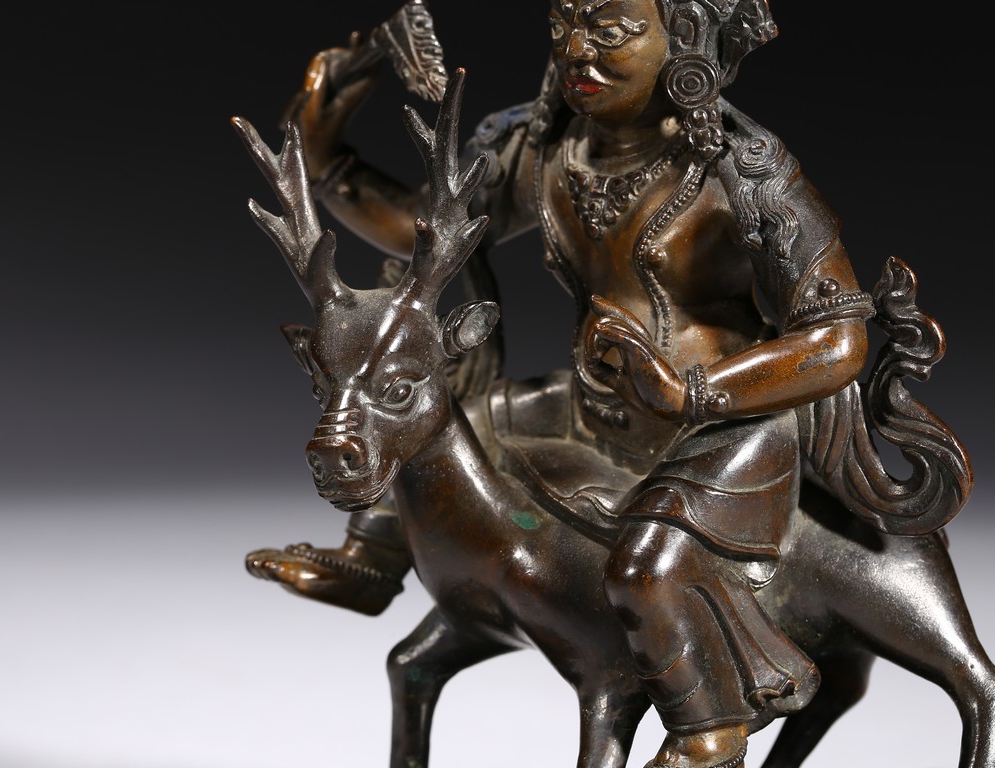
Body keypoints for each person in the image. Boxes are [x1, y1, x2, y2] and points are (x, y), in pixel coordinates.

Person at [247, 1, 881, 765]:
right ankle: (373, 557)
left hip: (725, 424)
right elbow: (425, 232)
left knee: (651, 567)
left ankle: (707, 725)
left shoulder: (742, 169)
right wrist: (328, 160)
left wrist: (690, 392)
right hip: (595, 403)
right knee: (434, 419)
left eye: (609, 30)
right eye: (563, 26)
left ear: (683, 39)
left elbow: (838, 339)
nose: (577, 48)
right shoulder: (545, 148)